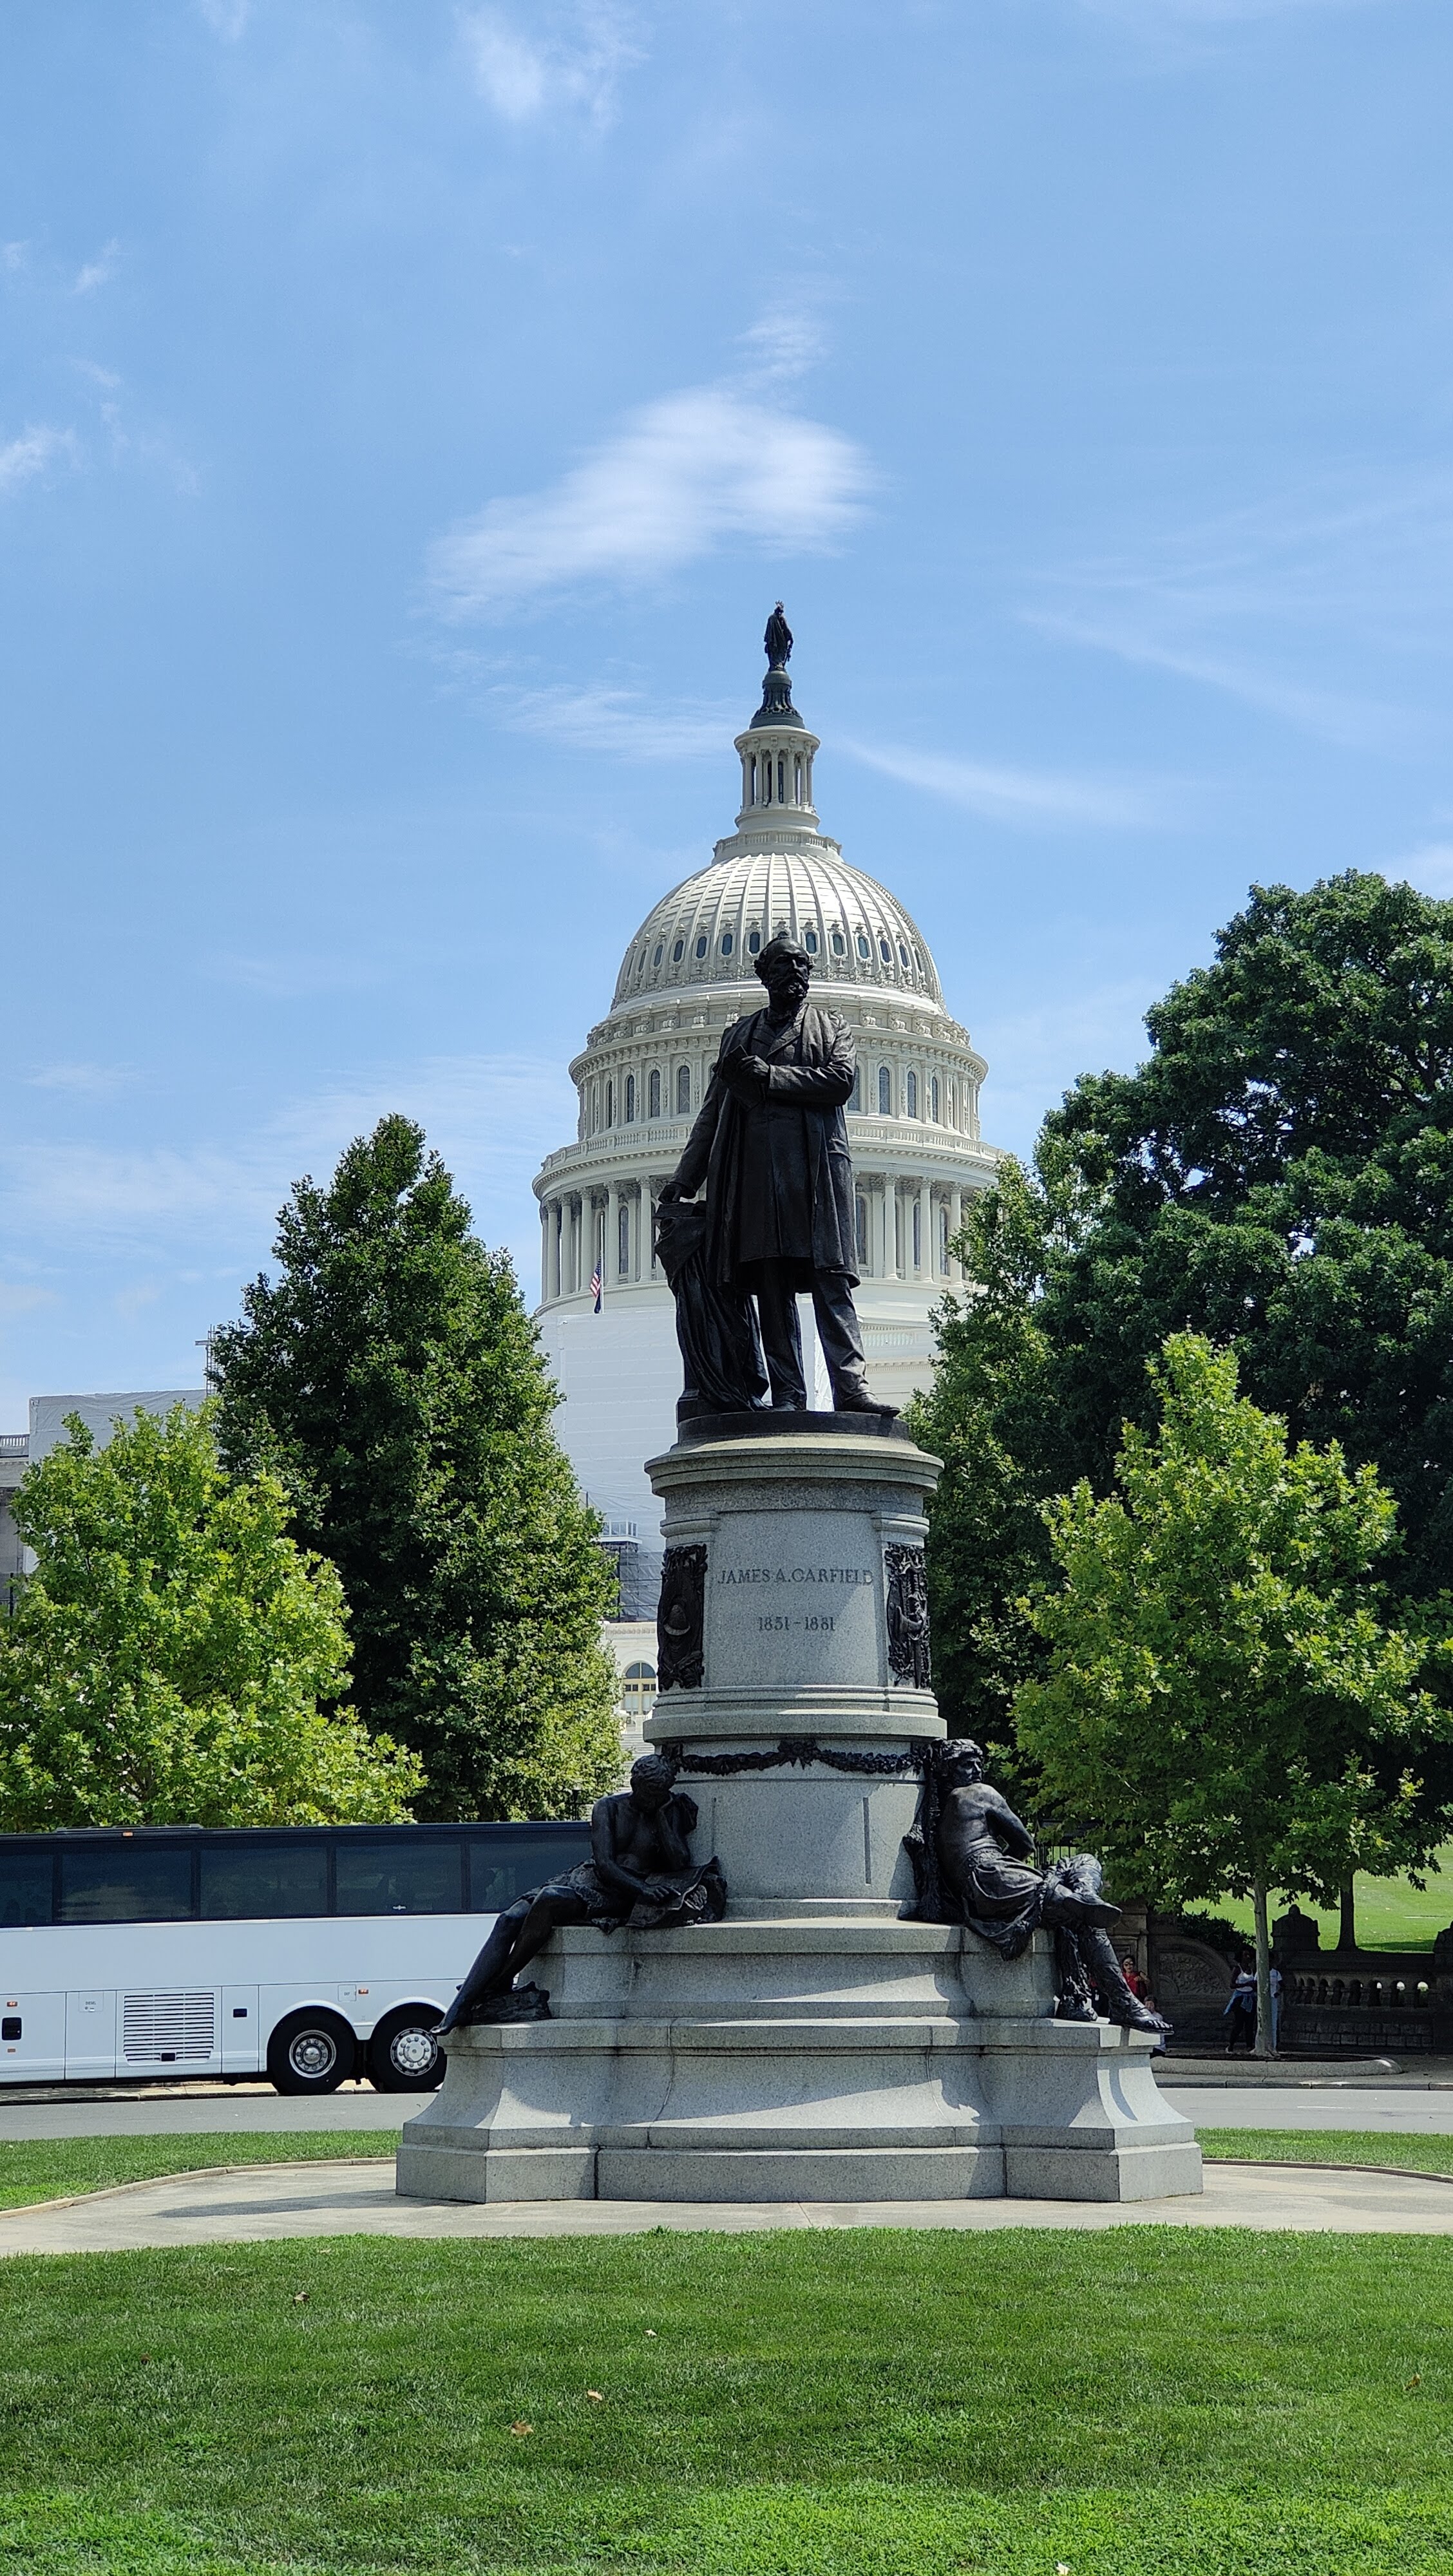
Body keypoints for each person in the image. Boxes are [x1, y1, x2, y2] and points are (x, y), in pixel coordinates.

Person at [658, 933, 890, 1414]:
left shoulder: (831, 1027)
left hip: (817, 1174)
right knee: (772, 1287)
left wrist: (767, 1076)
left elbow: (840, 1082)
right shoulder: (739, 1036)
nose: (797, 975)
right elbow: (712, 1112)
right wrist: (685, 1179)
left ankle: (852, 1389)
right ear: (765, 975)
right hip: (756, 1179)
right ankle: (788, 1394)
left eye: (803, 966)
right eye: (786, 966)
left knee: (831, 1283)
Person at [435, 1756, 725, 2031]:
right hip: (591, 1879)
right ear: (634, 1784)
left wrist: (661, 1817)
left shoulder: (668, 1811)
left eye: (659, 1794)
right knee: (508, 1919)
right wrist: (644, 1889)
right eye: (648, 1793)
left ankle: (494, 1984)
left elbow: (679, 1862)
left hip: (620, 1896)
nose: (652, 1799)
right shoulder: (608, 1808)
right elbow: (605, 1864)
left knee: (549, 1900)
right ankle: (460, 2005)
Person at [1223, 1956, 1257, 2054]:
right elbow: (1232, 1985)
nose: (1248, 1957)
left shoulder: (1252, 1969)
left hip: (1251, 1998)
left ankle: (1249, 2046)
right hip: (1240, 1998)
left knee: (1250, 2024)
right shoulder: (1237, 1969)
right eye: (1245, 1955)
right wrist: (1246, 1984)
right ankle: (1231, 2045)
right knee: (1239, 2024)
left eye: (1249, 1955)